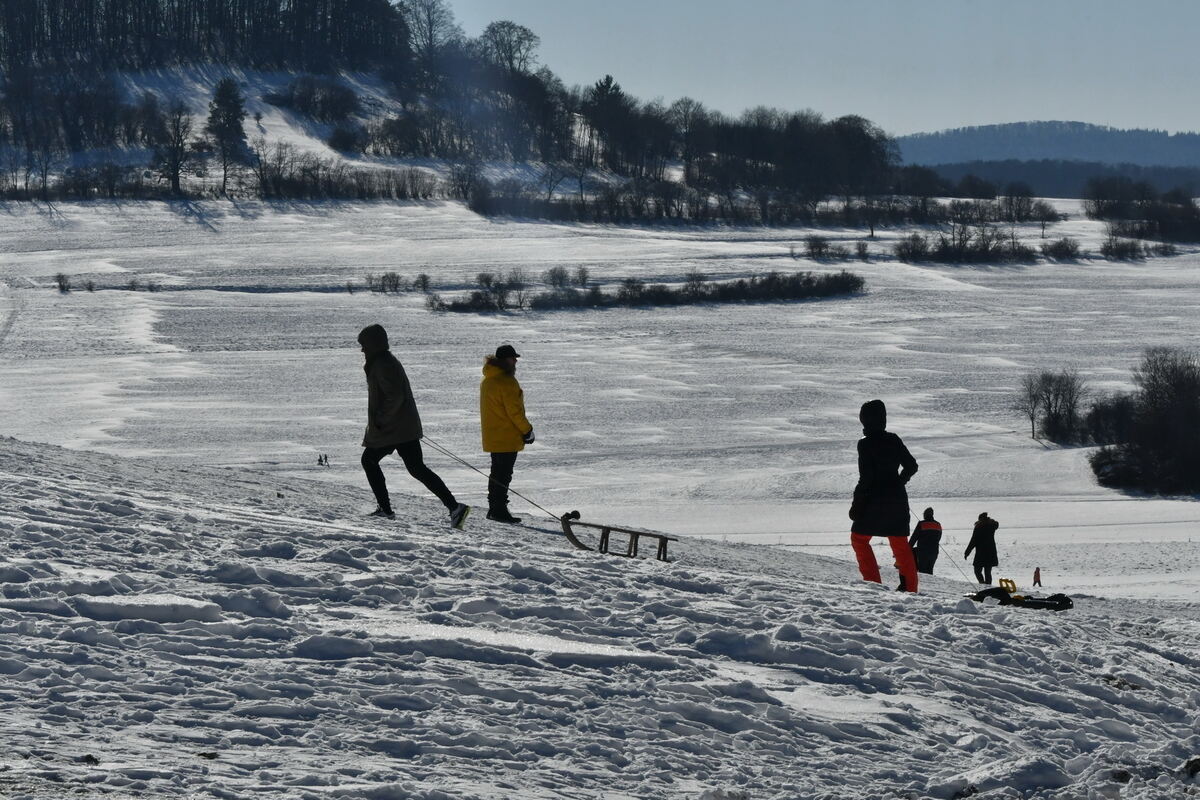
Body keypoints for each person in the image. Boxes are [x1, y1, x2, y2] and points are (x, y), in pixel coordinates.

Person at [357, 324, 470, 528]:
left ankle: (386, 510)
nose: (362, 349)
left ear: (374, 344)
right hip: (402, 427)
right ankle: (454, 507)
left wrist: (381, 420)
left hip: (392, 429)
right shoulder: (384, 361)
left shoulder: (383, 364)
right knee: (417, 468)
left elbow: (395, 396)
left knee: (369, 460)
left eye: (364, 345)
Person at [849, 399, 919, 592]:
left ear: (865, 420)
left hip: (873, 500)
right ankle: (910, 588)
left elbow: (866, 477)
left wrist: (857, 501)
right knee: (899, 543)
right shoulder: (893, 439)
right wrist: (898, 482)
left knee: (859, 539)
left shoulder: (865, 444)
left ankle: (873, 583)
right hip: (897, 499)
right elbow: (912, 466)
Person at [480, 344, 534, 523]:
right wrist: (527, 431)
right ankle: (499, 510)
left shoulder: (488, 380)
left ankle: (494, 508)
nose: (516, 361)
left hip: (493, 435)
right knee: (503, 474)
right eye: (513, 358)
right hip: (506, 436)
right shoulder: (507, 382)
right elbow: (515, 412)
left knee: (496, 472)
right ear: (505, 361)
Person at [964, 512, 1000, 584]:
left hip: (981, 553)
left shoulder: (978, 527)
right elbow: (996, 524)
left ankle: (982, 583)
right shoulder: (991, 526)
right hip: (990, 552)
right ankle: (988, 586)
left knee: (977, 571)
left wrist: (967, 552)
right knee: (988, 572)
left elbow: (973, 541)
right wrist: (991, 520)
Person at [909, 507, 943, 575]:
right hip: (934, 552)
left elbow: (914, 538)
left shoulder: (921, 524)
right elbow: (939, 537)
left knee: (922, 572)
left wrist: (908, 549)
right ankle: (930, 584)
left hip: (923, 552)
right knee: (930, 571)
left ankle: (925, 585)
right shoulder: (938, 524)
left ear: (925, 514)